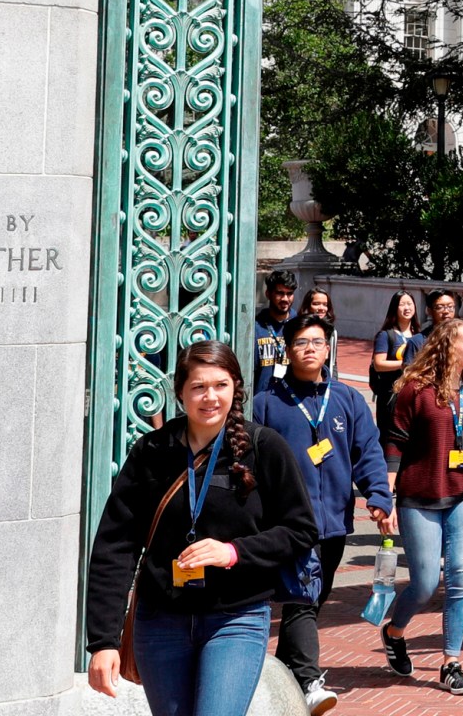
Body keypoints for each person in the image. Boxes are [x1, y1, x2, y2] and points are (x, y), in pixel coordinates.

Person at [85, 341, 318, 716]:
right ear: (180, 393)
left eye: (221, 386)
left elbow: (301, 529)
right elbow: (116, 546)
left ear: (236, 388)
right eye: (198, 387)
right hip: (161, 619)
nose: (210, 397)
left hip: (236, 618)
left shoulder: (264, 447)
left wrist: (234, 552)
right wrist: (103, 641)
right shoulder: (152, 452)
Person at [257, 314, 395, 714]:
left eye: (317, 341)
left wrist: (379, 496)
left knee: (315, 597)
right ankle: (308, 681)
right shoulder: (268, 405)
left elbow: (368, 450)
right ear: (287, 349)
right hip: (289, 522)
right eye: (301, 342)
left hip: (334, 520)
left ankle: (283, 671)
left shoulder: (347, 399)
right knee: (302, 595)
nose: (310, 349)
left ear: (328, 348)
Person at [379, 319, 463, 696]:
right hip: (420, 497)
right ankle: (394, 631)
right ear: (449, 346)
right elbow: (394, 445)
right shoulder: (415, 391)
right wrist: (387, 499)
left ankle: (451, 662)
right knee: (424, 583)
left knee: (459, 579)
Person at [370, 292, 421, 443]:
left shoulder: (419, 334)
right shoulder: (386, 335)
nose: (407, 308)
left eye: (410, 304)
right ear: (394, 308)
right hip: (391, 394)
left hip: (415, 393)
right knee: (390, 438)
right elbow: (379, 364)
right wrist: (406, 364)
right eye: (402, 304)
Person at [251, 272, 298, 393]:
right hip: (261, 400)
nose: (285, 299)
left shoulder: (300, 327)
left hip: (292, 401)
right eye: (280, 293)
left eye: (289, 294)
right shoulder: (255, 327)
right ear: (268, 294)